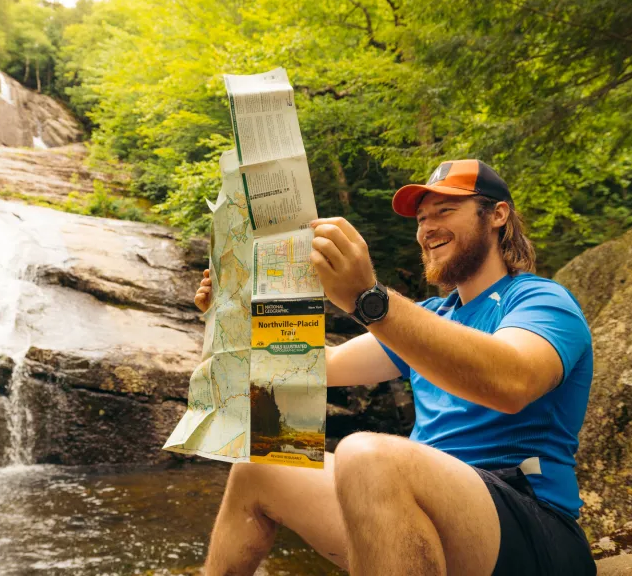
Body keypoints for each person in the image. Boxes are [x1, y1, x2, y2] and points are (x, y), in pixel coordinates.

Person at [192, 159, 597, 575]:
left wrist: (368, 298)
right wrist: (227, 317)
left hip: (535, 529)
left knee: (364, 454)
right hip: (426, 519)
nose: (428, 228)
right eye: (422, 218)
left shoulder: (541, 301)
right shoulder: (430, 317)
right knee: (259, 468)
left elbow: (512, 381)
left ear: (497, 215)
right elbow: (319, 365)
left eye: (444, 211)